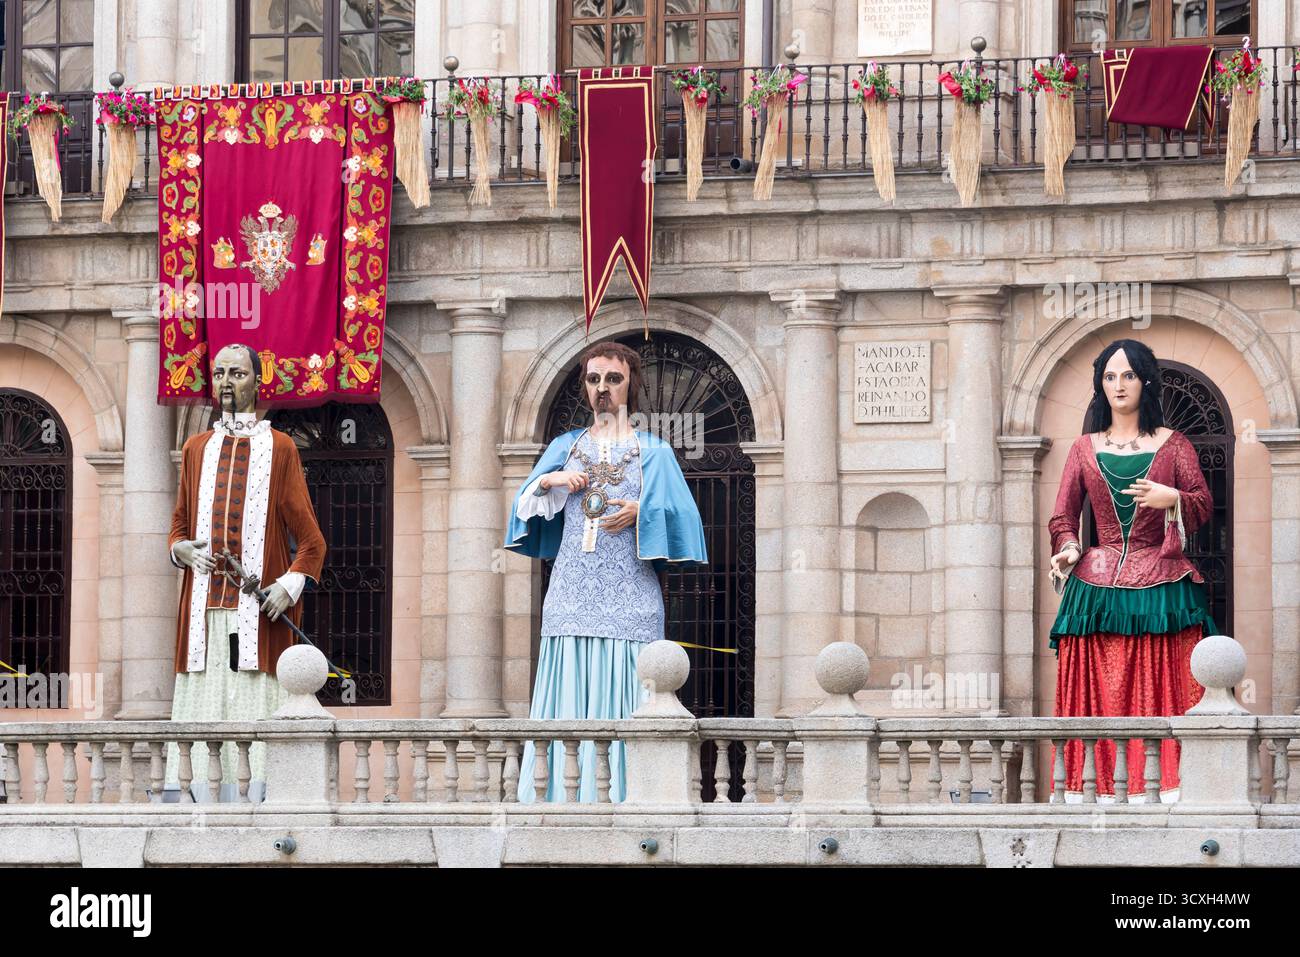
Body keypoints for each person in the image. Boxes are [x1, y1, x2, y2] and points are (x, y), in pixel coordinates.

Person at [504, 341, 707, 802]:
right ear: (584, 386)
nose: (602, 388)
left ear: (630, 386)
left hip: (631, 598)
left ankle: (633, 795)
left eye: (613, 379)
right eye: (594, 379)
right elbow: (523, 507)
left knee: (631, 698)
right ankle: (558, 799)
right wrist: (550, 479)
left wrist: (642, 511)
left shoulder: (654, 451)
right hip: (570, 596)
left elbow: (687, 521)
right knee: (568, 699)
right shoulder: (565, 447)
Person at [1047, 338, 1219, 801]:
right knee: (1097, 687)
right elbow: (1063, 515)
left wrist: (1173, 498)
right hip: (1095, 583)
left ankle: (1168, 785)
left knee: (1163, 681)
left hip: (1163, 579)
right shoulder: (1083, 448)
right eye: (1109, 377)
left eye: (1127, 375)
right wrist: (1068, 547)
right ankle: (1091, 788)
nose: (1118, 385)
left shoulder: (1175, 444)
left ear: (1145, 382)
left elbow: (1204, 504)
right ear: (1100, 386)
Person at [164, 343, 326, 801]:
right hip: (201, 615)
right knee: (202, 706)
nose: (226, 382)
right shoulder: (196, 449)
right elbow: (178, 526)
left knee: (254, 706)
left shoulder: (280, 448)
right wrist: (180, 550)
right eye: (219, 373)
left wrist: (288, 586)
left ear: (257, 381)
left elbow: (312, 542)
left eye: (237, 373)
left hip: (256, 617)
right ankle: (191, 801)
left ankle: (262, 799)